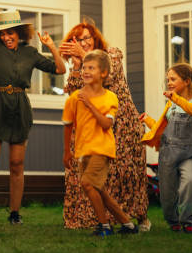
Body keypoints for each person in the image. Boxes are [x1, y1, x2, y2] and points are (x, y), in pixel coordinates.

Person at [0, 0, 66, 226]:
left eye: (11, 32)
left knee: (16, 163)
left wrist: (52, 46)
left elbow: (60, 70)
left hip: (19, 108)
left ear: (19, 32)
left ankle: (14, 213)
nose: (7, 37)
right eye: (3, 33)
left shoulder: (30, 52)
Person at [59, 21, 149, 230]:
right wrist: (76, 64)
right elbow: (74, 92)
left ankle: (136, 218)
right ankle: (99, 219)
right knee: (94, 177)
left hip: (123, 125)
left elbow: (109, 77)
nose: (83, 42)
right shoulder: (81, 63)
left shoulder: (112, 53)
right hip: (93, 126)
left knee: (125, 175)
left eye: (86, 37)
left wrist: (83, 55)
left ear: (95, 37)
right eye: (78, 39)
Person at [139, 63, 192, 233]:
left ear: (187, 81)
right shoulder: (170, 104)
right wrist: (148, 120)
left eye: (173, 79)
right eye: (168, 80)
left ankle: (187, 221)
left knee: (189, 182)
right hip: (168, 153)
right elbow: (162, 127)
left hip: (190, 153)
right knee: (167, 192)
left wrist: (176, 99)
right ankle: (172, 220)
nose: (169, 83)